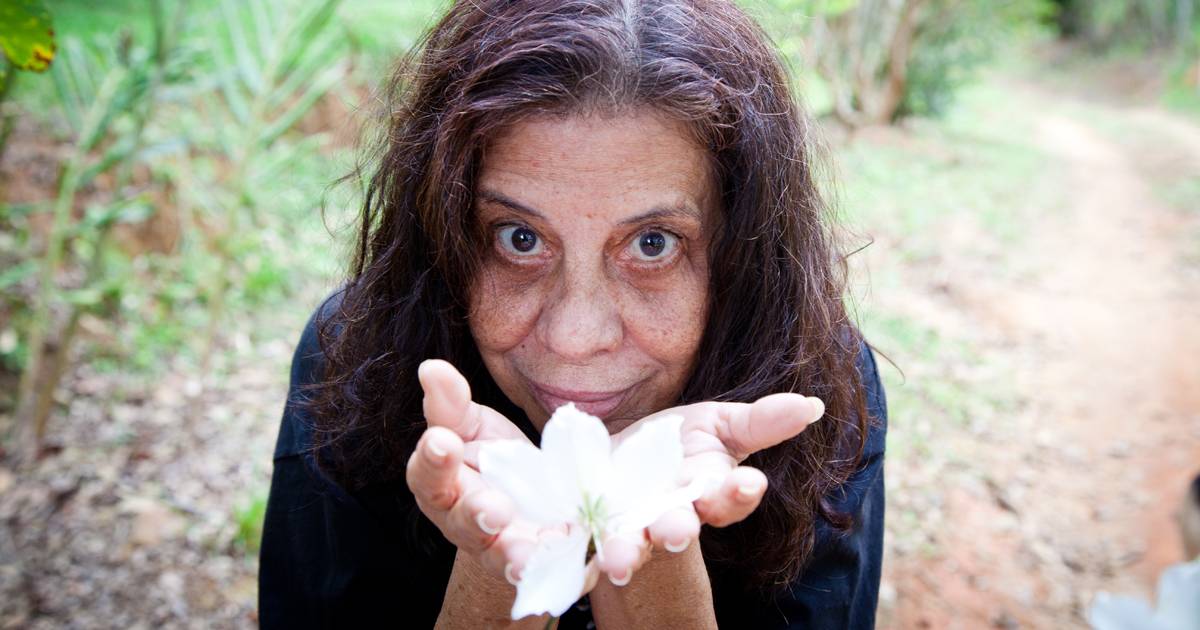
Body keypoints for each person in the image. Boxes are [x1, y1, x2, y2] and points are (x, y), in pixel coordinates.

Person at [259, 0, 888, 628]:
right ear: (444, 241)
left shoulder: (813, 384)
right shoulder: (354, 354)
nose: (575, 338)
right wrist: (502, 560)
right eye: (519, 238)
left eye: (653, 244)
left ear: (741, 257)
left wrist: (653, 569)